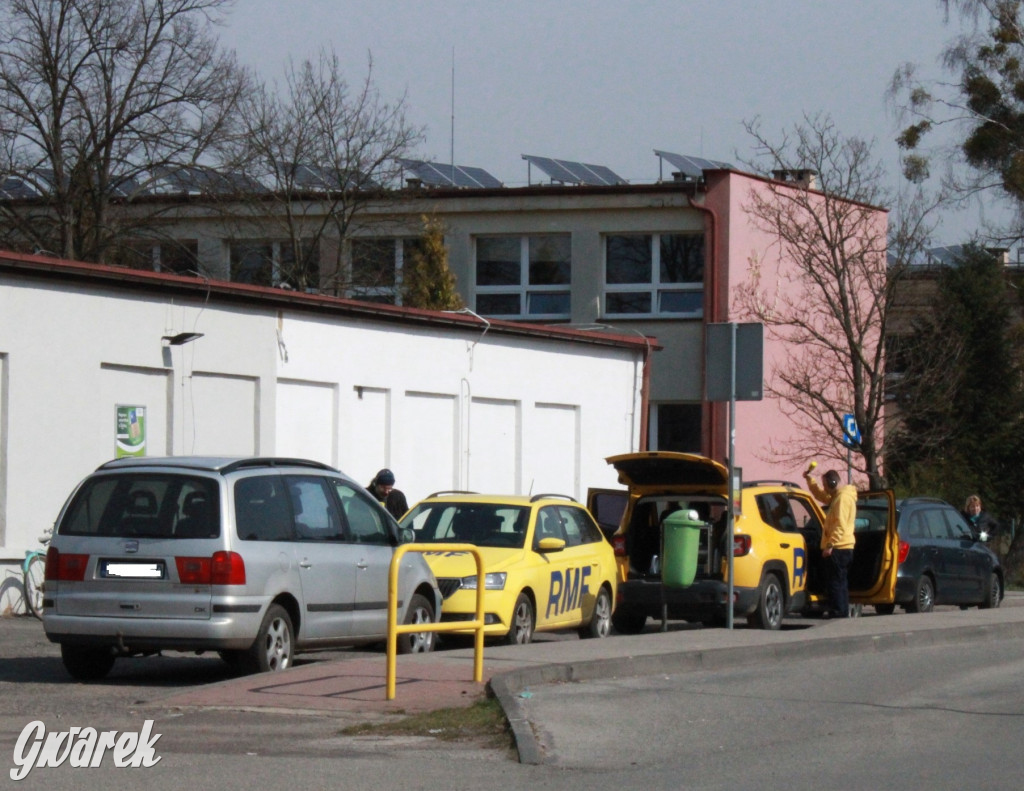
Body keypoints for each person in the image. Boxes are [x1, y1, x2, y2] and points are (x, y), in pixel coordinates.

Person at [804, 467, 857, 619]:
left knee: (836, 582)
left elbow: (840, 525)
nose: (825, 488)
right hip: (842, 546)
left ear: (832, 483)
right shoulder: (838, 496)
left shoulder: (842, 499)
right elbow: (821, 495)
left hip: (839, 547)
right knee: (840, 581)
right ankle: (842, 610)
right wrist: (810, 480)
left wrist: (830, 545)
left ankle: (838, 611)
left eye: (826, 485)